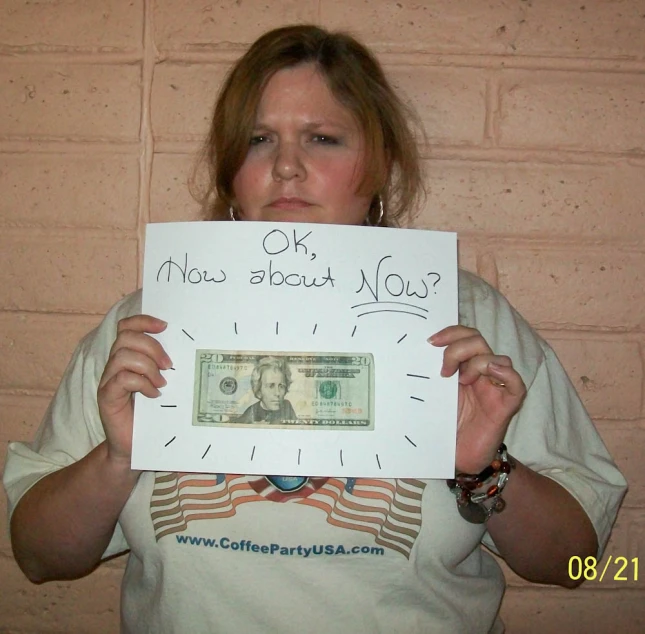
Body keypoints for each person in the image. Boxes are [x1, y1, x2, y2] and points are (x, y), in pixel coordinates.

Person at [3, 24, 626, 634]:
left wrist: (483, 466)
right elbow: (39, 557)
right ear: (230, 172)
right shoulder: (154, 324)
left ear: (378, 166)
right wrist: (118, 459)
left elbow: (573, 562)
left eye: (324, 138)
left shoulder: (467, 322)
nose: (287, 167)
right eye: (257, 139)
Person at [235, 356, 297, 423]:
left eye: (281, 386)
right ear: (259, 391)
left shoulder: (287, 406)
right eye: (271, 386)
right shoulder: (249, 415)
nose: (277, 393)